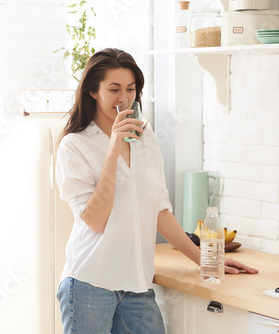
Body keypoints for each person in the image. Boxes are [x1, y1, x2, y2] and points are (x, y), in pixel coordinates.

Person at [55, 48, 258, 334]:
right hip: (90, 284)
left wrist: (204, 259)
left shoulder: (145, 137)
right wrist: (113, 149)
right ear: (92, 92)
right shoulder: (74, 146)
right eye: (113, 89)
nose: (124, 98)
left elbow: (159, 210)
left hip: (137, 285)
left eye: (130, 89)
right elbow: (95, 221)